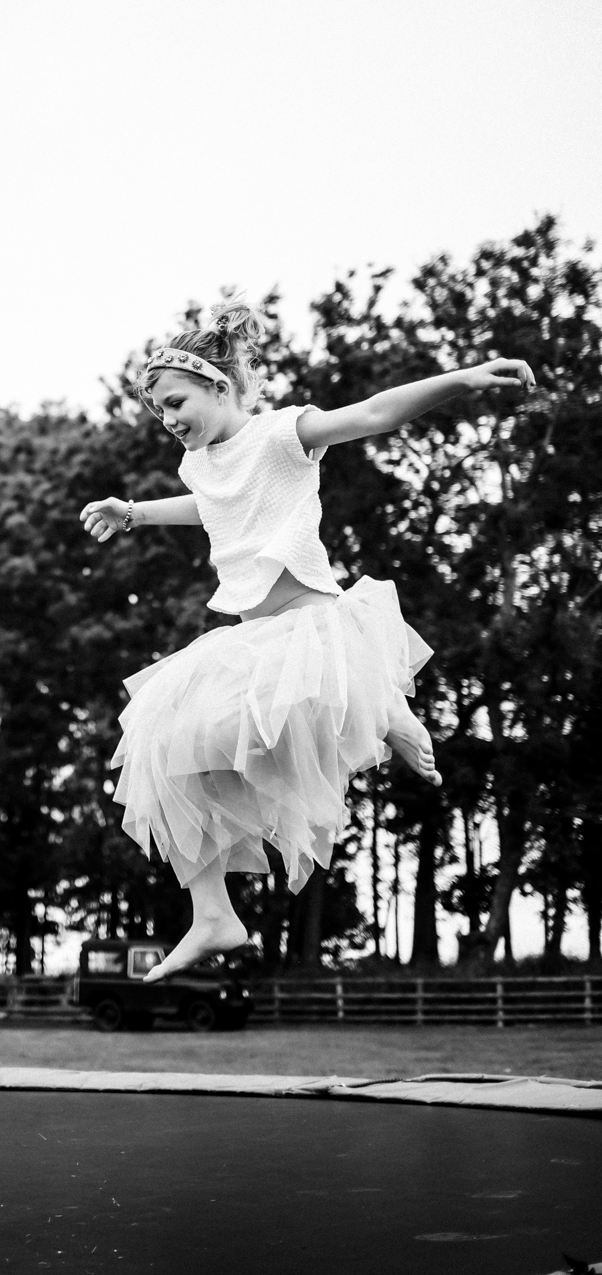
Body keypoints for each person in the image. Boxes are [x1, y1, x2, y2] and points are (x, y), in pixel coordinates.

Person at [80, 301, 534, 980]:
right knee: (163, 745)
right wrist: (135, 513)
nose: (168, 419)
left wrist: (463, 378)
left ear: (219, 386)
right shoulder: (199, 464)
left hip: (315, 630)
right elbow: (213, 507)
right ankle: (213, 916)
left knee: (282, 716)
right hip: (253, 638)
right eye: (157, 412)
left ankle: (383, 707)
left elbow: (374, 413)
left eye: (175, 403)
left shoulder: (282, 433)